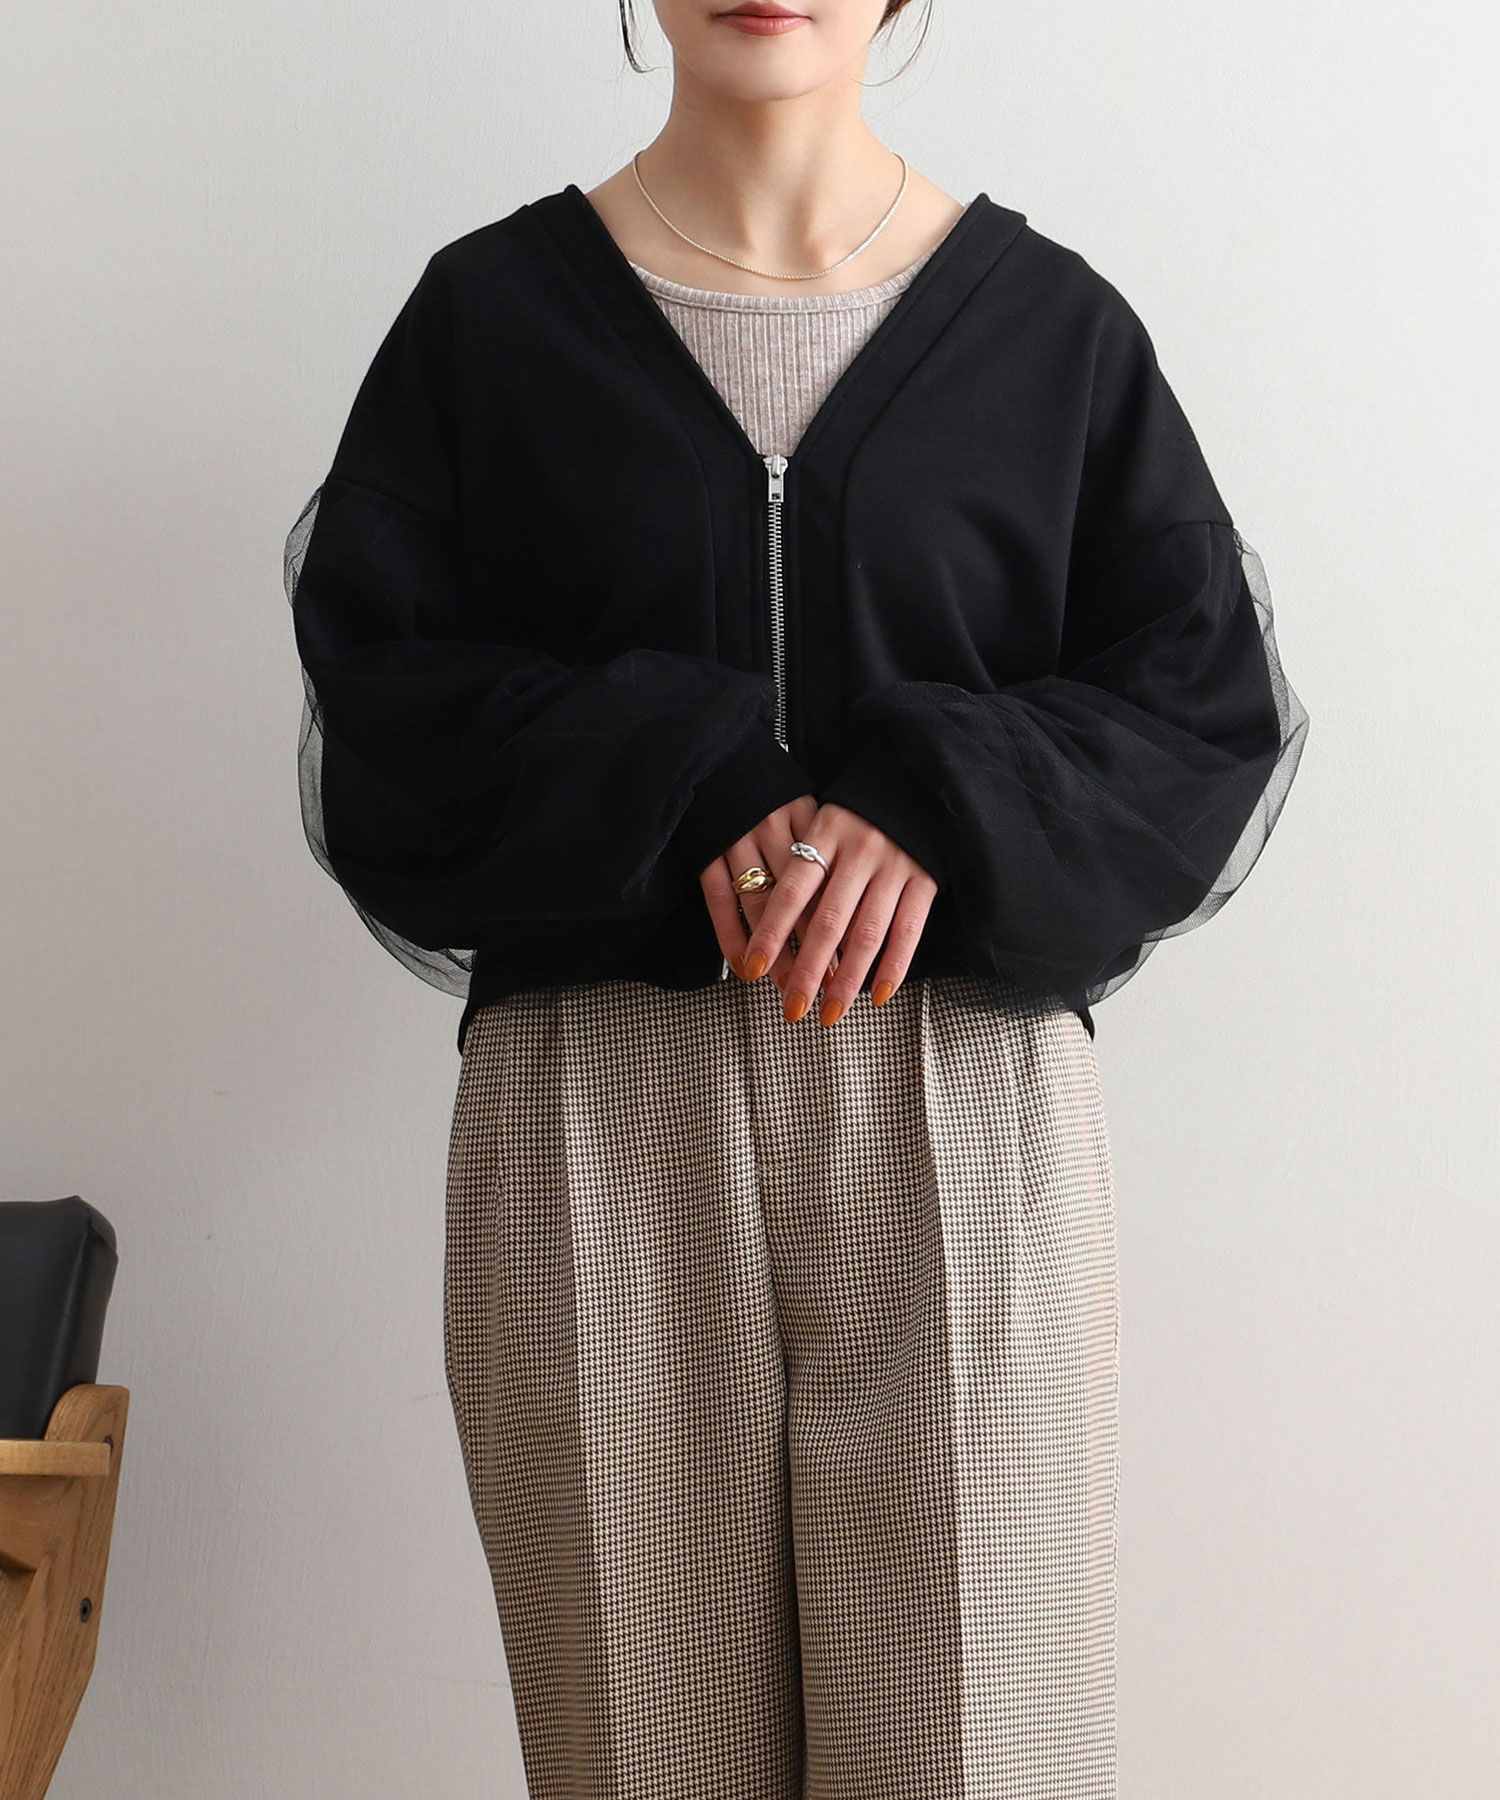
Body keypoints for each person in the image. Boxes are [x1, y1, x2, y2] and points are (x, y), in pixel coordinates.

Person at [283, 2, 1308, 1792]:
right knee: (639, 1755)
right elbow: (384, 701)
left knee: (978, 1754)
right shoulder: (491, 321)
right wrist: (691, 773)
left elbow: (1199, 707)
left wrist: (938, 795)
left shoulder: (1052, 333)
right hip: (596, 1113)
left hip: (963, 1109)